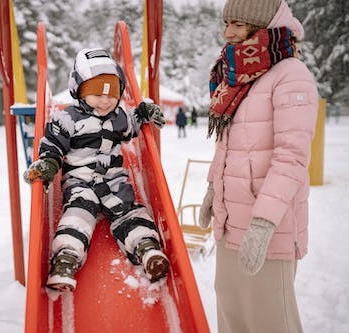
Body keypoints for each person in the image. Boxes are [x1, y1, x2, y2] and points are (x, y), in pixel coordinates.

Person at [198, 0, 318, 332]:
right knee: (232, 313)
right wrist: (212, 187)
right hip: (230, 221)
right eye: (226, 23)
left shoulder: (291, 74)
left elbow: (290, 157)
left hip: (267, 228)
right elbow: (229, 144)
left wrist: (263, 223)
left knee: (269, 319)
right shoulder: (239, 74)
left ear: (263, 23)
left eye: (238, 24)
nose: (228, 33)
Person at [24, 48, 169, 292]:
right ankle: (66, 259)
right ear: (78, 90)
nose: (105, 100)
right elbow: (52, 145)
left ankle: (147, 249)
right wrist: (49, 164)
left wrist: (143, 112)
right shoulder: (66, 119)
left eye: (112, 93)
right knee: (78, 215)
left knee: (130, 213)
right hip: (80, 183)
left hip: (113, 182)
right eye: (96, 93)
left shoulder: (119, 117)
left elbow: (132, 126)